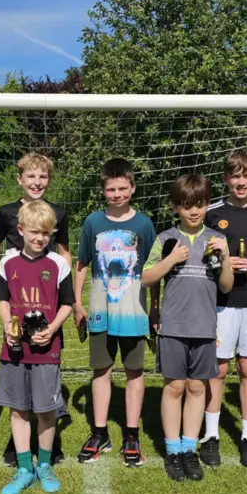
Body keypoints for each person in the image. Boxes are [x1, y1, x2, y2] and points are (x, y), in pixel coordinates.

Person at [142, 174, 233, 483]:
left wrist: (227, 258)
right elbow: (146, 276)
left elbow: (226, 285)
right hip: (173, 326)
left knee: (197, 387)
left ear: (207, 205)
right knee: (175, 386)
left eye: (200, 205)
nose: (194, 211)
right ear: (176, 207)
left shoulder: (216, 239)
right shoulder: (165, 238)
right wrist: (171, 259)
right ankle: (172, 450)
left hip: (205, 326)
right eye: (186, 206)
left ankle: (189, 449)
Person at [0, 152, 71, 467]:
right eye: (31, 177)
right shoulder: (6, 213)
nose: (37, 182)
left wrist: (61, 281)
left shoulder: (58, 214)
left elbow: (64, 252)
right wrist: (1, 277)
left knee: (46, 380)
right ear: (20, 179)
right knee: (18, 387)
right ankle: (17, 446)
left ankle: (50, 444)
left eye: (43, 177)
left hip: (47, 299)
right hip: (17, 298)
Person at [73, 158, 156, 467]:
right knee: (101, 370)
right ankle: (99, 433)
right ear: (103, 190)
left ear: (132, 188)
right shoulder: (93, 221)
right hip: (99, 309)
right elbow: (81, 263)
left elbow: (151, 268)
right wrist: (77, 302)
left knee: (134, 371)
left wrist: (155, 308)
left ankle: (131, 434)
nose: (117, 193)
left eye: (123, 188)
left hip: (133, 309)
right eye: (111, 189)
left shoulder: (144, 224)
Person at [0, 200, 74, 494]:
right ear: (20, 230)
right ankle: (25, 468)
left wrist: (52, 330)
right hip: (14, 349)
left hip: (46, 349)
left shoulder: (58, 264)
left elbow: (67, 304)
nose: (40, 238)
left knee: (45, 410)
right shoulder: (8, 262)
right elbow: (3, 300)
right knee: (18, 409)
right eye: (34, 232)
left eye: (46, 233)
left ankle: (44, 465)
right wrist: (7, 325)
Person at [204, 148, 247, 468]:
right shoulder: (212, 213)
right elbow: (202, 256)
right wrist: (223, 263)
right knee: (217, 368)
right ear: (225, 178)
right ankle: (211, 435)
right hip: (222, 302)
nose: (241, 181)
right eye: (235, 175)